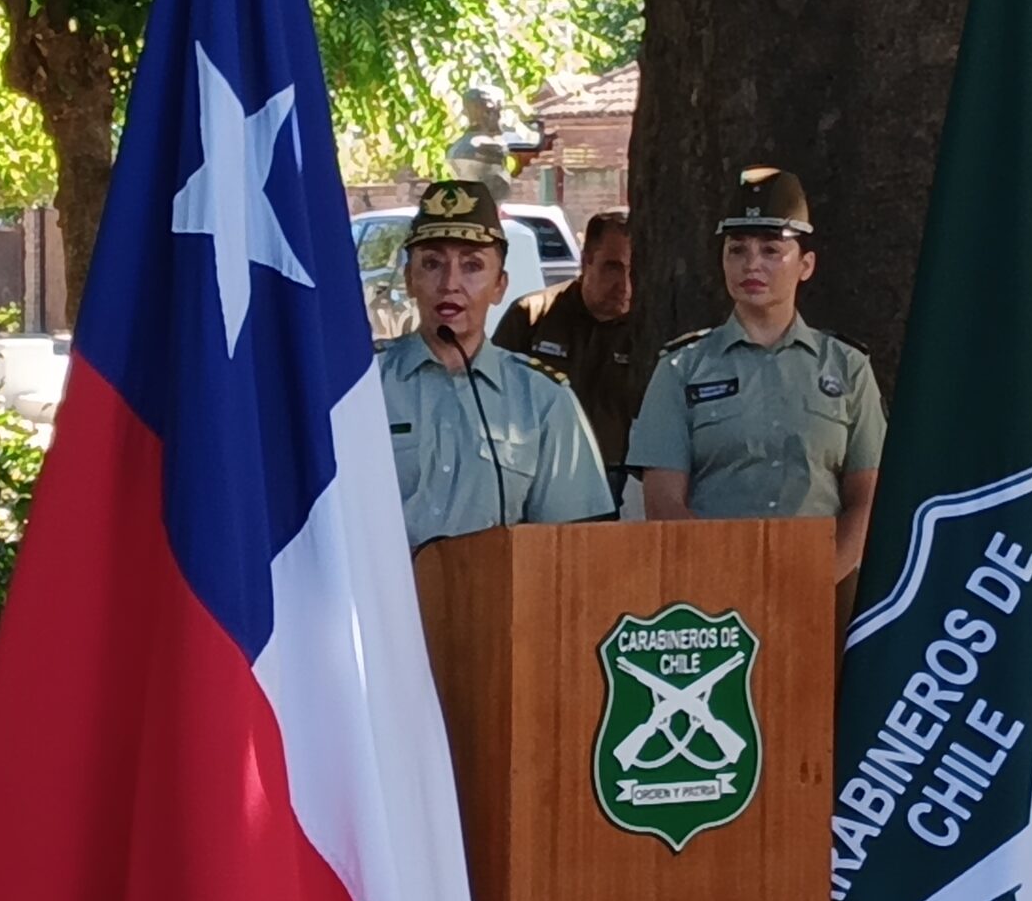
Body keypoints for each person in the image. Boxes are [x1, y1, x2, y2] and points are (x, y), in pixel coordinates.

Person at [628, 166, 885, 602]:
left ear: (806, 265)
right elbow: (664, 502)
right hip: (710, 592)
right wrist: (724, 578)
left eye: (771, 250)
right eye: (737, 249)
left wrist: (821, 578)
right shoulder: (681, 369)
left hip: (826, 590)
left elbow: (867, 495)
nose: (752, 264)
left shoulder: (848, 367)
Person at [379, 181, 613, 551]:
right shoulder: (362, 391)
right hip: (387, 605)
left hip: (500, 603)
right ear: (410, 279)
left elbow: (570, 546)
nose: (450, 283)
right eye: (432, 263)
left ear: (500, 286)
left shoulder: (543, 399)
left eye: (472, 265)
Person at [492, 209, 638, 507]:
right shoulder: (532, 317)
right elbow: (493, 395)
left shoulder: (646, 331)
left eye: (633, 270)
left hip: (612, 479)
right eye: (612, 267)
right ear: (586, 261)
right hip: (534, 472)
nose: (624, 283)